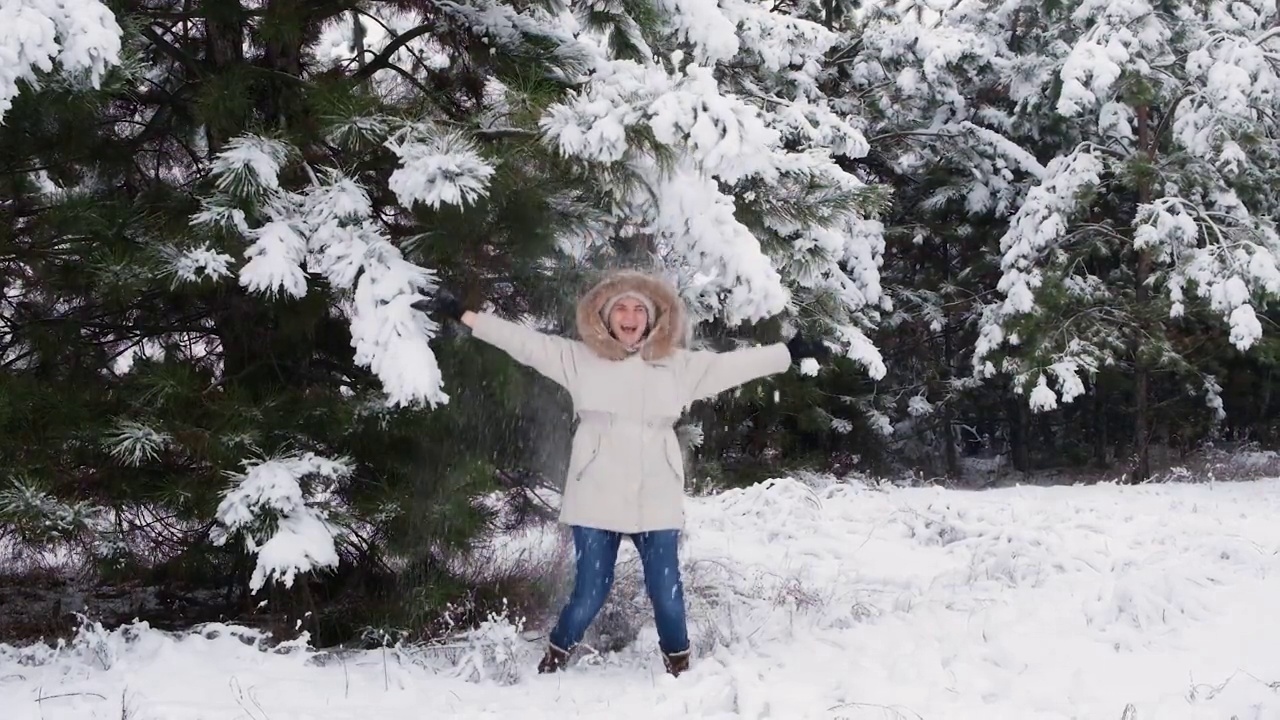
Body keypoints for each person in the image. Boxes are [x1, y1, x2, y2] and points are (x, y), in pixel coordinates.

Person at [416, 270, 828, 677]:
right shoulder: (578, 359)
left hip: (657, 495)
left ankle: (680, 667)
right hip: (595, 495)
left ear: (652, 318)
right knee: (590, 591)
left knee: (667, 595)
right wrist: (465, 316)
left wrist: (787, 352)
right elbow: (525, 343)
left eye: (639, 309)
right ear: (605, 316)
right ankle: (555, 659)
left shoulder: (679, 366)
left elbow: (733, 366)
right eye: (621, 308)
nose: (629, 316)